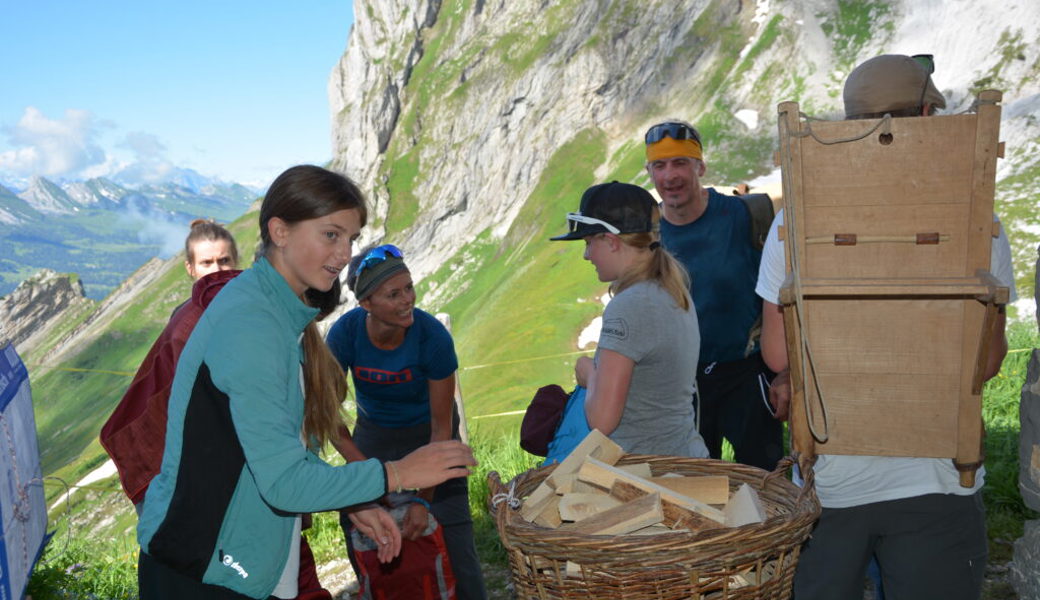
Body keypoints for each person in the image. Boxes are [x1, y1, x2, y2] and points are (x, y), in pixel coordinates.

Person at [135, 165, 476, 600]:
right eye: (330, 235)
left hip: (228, 558)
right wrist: (397, 473)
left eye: (350, 238)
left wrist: (354, 500)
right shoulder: (253, 325)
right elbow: (283, 483)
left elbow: (277, 451)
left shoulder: (275, 312)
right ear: (279, 231)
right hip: (205, 567)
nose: (343, 254)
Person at [756, 54, 1017, 600]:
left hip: (832, 480)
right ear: (927, 115)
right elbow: (988, 364)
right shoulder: (978, 222)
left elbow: (779, 357)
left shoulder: (792, 223)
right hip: (940, 480)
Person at [324, 243, 488, 600]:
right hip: (373, 436)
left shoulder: (432, 337)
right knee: (361, 525)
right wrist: (366, 470)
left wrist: (422, 501)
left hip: (430, 435)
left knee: (455, 535)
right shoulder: (343, 335)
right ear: (366, 303)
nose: (407, 300)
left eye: (409, 288)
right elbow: (325, 413)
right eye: (393, 294)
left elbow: (441, 428)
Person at [644, 120, 784, 471]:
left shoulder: (745, 217)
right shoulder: (647, 237)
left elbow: (781, 297)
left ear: (700, 167)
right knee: (693, 487)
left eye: (680, 163)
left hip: (748, 376)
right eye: (659, 166)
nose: (670, 175)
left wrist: (787, 373)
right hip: (681, 386)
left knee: (766, 480)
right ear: (649, 172)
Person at [549, 181, 709, 458]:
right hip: (682, 459)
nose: (587, 255)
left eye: (589, 243)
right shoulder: (670, 289)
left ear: (611, 242)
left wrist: (588, 371)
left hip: (647, 472)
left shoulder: (630, 305)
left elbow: (602, 420)